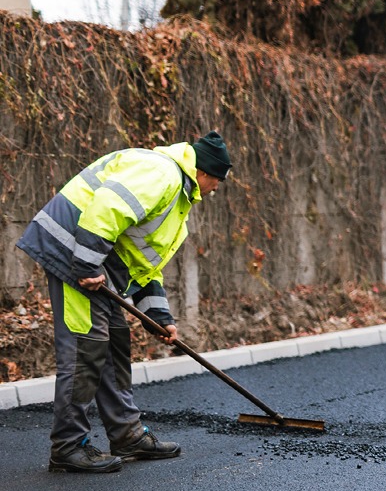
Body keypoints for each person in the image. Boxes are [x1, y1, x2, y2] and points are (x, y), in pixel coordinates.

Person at [16, 131, 232, 473]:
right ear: (204, 173)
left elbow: (144, 266)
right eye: (217, 181)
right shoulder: (161, 173)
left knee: (114, 341)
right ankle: (68, 446)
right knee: (85, 347)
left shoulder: (177, 201)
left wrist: (158, 317)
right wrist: (86, 263)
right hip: (72, 251)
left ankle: (126, 434)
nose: (216, 189)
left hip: (94, 263)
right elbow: (107, 207)